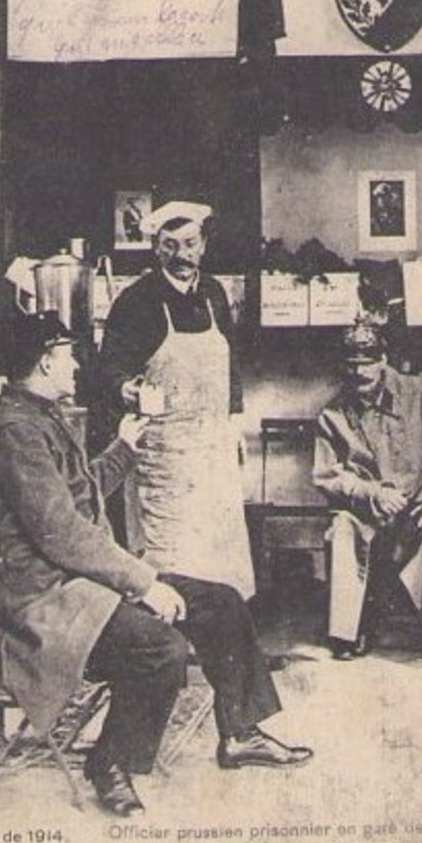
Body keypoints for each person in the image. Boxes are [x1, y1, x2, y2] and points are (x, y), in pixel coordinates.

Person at [0, 311, 311, 818]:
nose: (77, 366)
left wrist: (125, 448)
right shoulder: (16, 431)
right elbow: (62, 533)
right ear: (46, 362)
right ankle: (109, 763)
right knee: (160, 650)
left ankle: (240, 733)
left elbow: (76, 504)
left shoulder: (38, 415)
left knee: (221, 603)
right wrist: (144, 582)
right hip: (47, 602)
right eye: (69, 356)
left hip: (81, 583)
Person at [98, 199, 255, 598]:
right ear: (156, 249)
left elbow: (230, 361)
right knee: (171, 560)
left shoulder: (215, 293)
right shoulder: (136, 301)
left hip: (213, 451)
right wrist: (127, 389)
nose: (181, 255)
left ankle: (219, 642)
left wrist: (235, 418)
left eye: (189, 243)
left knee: (217, 554)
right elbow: (109, 369)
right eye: (169, 245)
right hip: (165, 458)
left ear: (203, 244)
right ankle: (171, 644)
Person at [313, 320, 422, 660]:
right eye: (351, 365)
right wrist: (372, 493)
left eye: (367, 363)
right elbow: (328, 475)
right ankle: (350, 629)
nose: (359, 372)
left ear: (384, 359)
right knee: (342, 530)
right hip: (369, 511)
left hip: (421, 504)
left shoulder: (420, 393)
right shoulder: (333, 414)